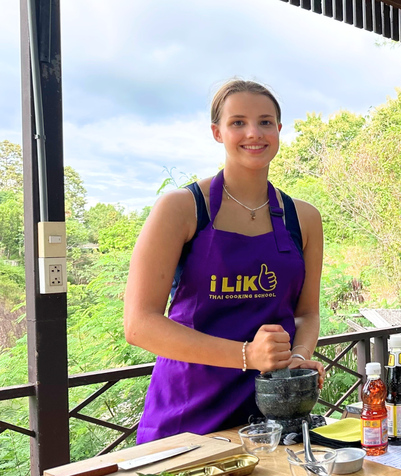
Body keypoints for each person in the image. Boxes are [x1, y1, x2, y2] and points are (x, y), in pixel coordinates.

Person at [124, 80, 325, 443]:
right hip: (187, 415)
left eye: (265, 122)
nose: (253, 133)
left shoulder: (304, 218)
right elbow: (139, 324)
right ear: (217, 132)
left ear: (279, 130)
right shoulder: (181, 209)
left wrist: (298, 356)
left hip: (272, 415)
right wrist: (247, 355)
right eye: (238, 123)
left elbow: (307, 313)